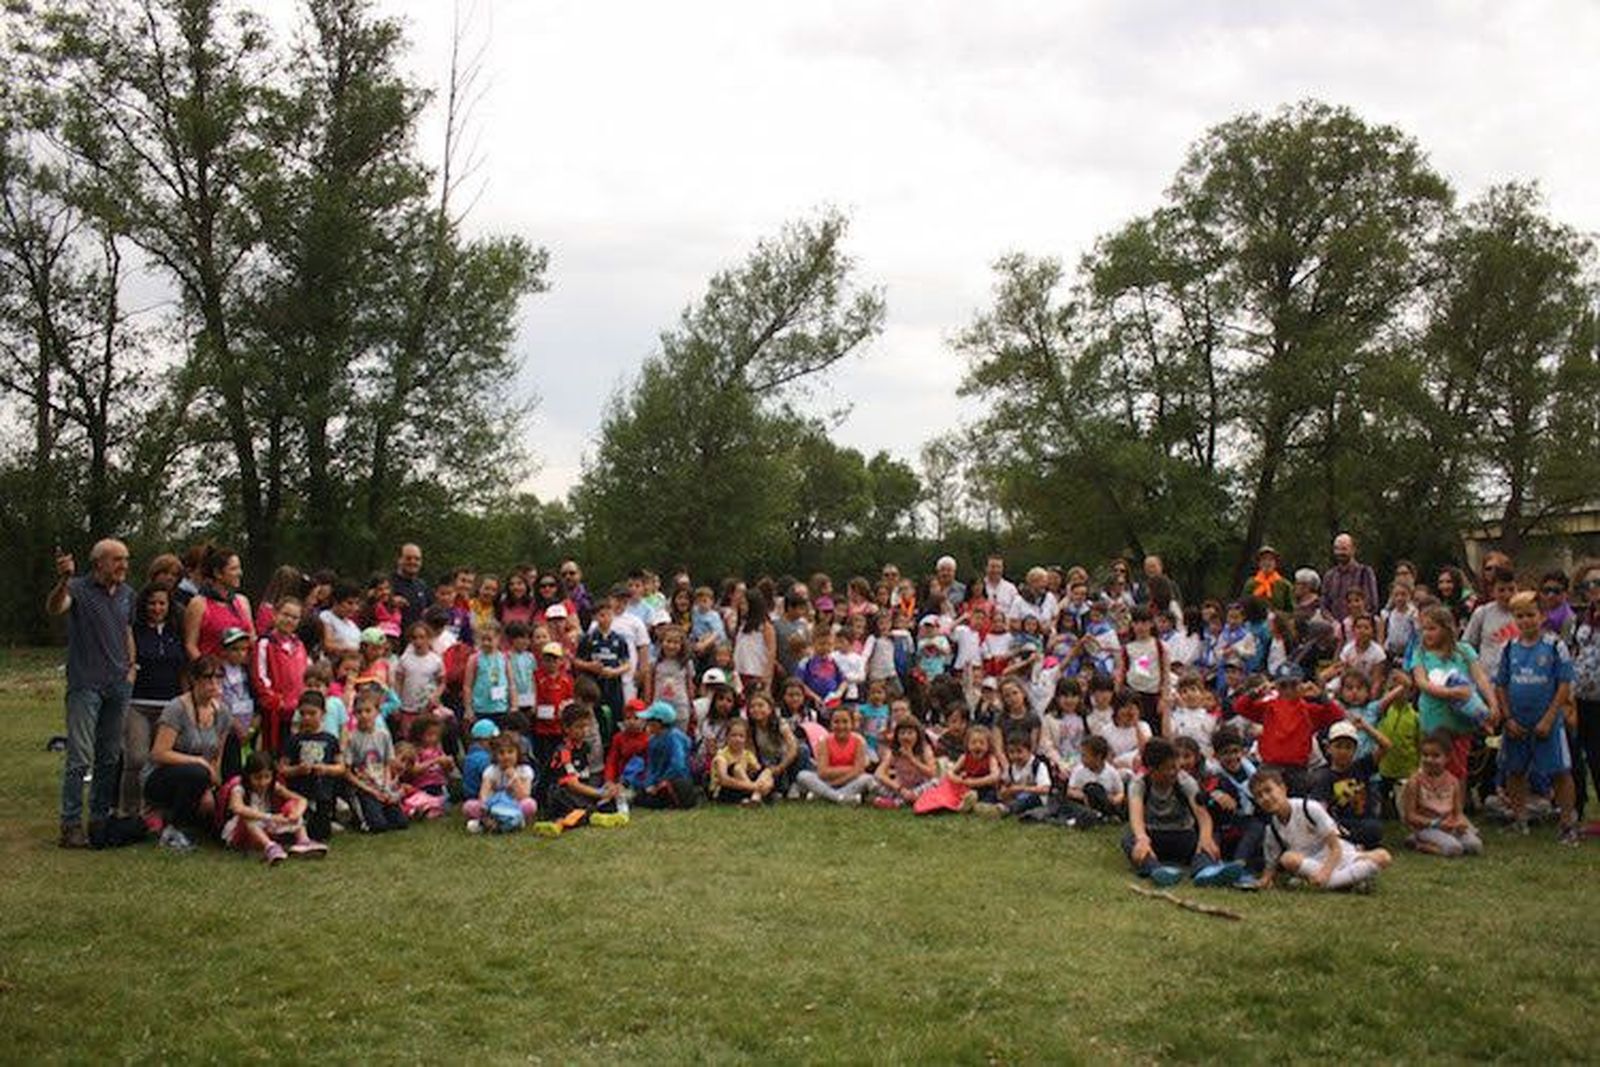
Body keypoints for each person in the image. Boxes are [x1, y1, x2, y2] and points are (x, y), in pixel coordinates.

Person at [47, 539, 135, 848]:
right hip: (86, 685)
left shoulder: (127, 594)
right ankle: (70, 824)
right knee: (80, 757)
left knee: (109, 756)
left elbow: (126, 630)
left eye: (125, 559)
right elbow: (56, 607)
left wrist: (131, 666)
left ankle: (99, 819)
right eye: (117, 560)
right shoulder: (78, 589)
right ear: (99, 563)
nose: (123, 565)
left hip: (118, 684)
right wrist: (62, 580)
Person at [1494, 591, 1579, 844]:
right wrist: (1508, 718)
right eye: (1519, 616)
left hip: (1548, 723)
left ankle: (1567, 824)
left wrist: (1550, 718)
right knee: (1515, 770)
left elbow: (1564, 684)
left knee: (1560, 772)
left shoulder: (1555, 646)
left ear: (1542, 616)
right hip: (1517, 723)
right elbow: (1501, 684)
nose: (1525, 621)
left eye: (1531, 615)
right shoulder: (1509, 648)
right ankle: (1519, 820)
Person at [143, 656, 233, 851]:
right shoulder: (176, 708)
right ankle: (172, 830)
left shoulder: (223, 713)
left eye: (218, 678)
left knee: (224, 809)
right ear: (194, 680)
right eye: (208, 678)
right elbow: (159, 753)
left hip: (201, 778)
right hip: (163, 776)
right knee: (196, 772)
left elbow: (217, 757)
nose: (213, 684)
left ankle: (191, 824)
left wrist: (210, 788)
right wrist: (198, 762)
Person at [1253, 768, 1389, 891]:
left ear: (1283, 789)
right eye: (1259, 795)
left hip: (1336, 855)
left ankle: (1332, 883)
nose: (1265, 798)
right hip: (1310, 864)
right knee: (1288, 859)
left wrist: (1325, 874)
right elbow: (1270, 866)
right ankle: (1350, 880)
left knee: (1384, 857)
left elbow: (1335, 847)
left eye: (1268, 790)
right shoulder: (1272, 828)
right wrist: (1265, 880)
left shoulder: (1309, 807)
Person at [1124, 738, 1236, 887]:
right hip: (1153, 836)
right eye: (1168, 768)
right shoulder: (1139, 784)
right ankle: (1156, 870)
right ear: (1151, 770)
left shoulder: (1185, 781)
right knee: (1129, 839)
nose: (1174, 772)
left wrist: (1205, 838)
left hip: (1182, 835)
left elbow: (1203, 816)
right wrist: (1142, 839)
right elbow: (1136, 816)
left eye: (1175, 767)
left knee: (1210, 836)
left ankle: (1204, 870)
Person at [1409, 605, 1496, 783]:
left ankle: (1457, 808)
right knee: (1432, 768)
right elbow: (1422, 683)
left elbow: (1480, 677)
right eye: (1424, 629)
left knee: (1458, 770)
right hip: (1434, 719)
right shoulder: (1421, 654)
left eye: (1432, 628)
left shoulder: (1463, 651)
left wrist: (1492, 702)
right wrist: (1451, 692)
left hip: (1460, 720)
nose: (1427, 634)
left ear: (1446, 629)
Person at [121, 583, 185, 821]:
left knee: (164, 760)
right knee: (136, 758)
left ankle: (157, 811)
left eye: (162, 603)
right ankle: (129, 811)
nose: (157, 608)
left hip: (169, 705)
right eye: (152, 603)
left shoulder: (175, 631)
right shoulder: (135, 631)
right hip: (138, 702)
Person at [1231, 674, 1343, 795]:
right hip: (1270, 768)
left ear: (1301, 686)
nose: (1288, 690)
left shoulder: (1309, 710)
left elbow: (1337, 715)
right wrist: (1258, 691)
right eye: (1283, 685)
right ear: (1277, 687)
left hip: (1297, 771)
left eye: (1293, 685)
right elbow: (1239, 706)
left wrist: (1320, 695)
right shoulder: (1268, 707)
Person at [221, 752, 326, 864]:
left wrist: (296, 814)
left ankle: (304, 841)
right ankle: (270, 847)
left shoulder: (273, 786)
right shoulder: (239, 788)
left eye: (267, 777)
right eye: (257, 778)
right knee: (248, 815)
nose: (262, 782)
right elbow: (238, 808)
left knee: (292, 806)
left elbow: (301, 800)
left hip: (265, 827)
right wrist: (271, 817)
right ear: (248, 776)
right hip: (242, 832)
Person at [1401, 731, 1483, 857]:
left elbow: (1458, 812)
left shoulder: (1453, 781)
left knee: (1475, 846)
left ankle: (1440, 840)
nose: (1429, 760)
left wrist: (1460, 822)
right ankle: (1419, 843)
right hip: (1426, 826)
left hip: (1449, 825)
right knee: (1454, 849)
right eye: (1425, 755)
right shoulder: (1415, 782)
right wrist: (1435, 823)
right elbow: (1410, 816)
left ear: (1447, 758)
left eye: (1436, 756)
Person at [1308, 720, 1387, 848]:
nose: (1343, 751)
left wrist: (1366, 727)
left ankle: (1352, 844)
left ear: (1355, 750)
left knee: (1375, 828)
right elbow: (1320, 808)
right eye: (1338, 746)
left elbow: (1385, 746)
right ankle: (1351, 844)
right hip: (1341, 822)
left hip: (1364, 820)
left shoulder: (1361, 766)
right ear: (1328, 748)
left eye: (1348, 747)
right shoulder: (1324, 776)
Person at [278, 691, 343, 840]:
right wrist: (297, 770)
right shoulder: (294, 740)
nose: (307, 718)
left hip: (323, 794)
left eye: (312, 713)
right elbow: (282, 769)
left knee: (320, 834)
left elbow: (341, 767)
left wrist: (326, 769)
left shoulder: (330, 740)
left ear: (323, 713)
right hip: (299, 794)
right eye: (303, 714)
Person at [344, 692, 408, 833]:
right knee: (378, 826)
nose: (364, 715)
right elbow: (347, 773)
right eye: (359, 712)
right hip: (364, 788)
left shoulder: (383, 735)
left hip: (381, 785)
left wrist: (386, 787)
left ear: (377, 712)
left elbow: (387, 764)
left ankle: (381, 812)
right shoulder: (352, 738)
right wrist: (371, 790)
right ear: (354, 714)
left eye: (368, 711)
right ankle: (361, 817)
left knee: (402, 822)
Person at [252, 597, 307, 757]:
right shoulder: (265, 643)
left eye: (295, 617)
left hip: (298, 712)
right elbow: (260, 677)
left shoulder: (299, 645)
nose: (289, 620)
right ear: (275, 615)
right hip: (275, 712)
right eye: (286, 615)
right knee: (274, 753)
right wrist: (276, 701)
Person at [183, 545, 255, 661]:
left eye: (239, 568)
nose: (239, 573)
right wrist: (207, 672)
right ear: (218, 573)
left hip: (240, 674)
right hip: (212, 673)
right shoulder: (199, 604)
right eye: (233, 569)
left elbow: (252, 638)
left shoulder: (242, 601)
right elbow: (190, 645)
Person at [796, 706, 878, 805]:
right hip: (827, 781)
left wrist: (837, 779)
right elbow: (822, 772)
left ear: (852, 724)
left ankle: (825, 795)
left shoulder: (859, 741)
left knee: (867, 779)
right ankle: (840, 798)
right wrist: (851, 768)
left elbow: (859, 771)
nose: (841, 726)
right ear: (831, 724)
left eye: (845, 722)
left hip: (850, 781)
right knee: (803, 776)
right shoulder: (824, 742)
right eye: (836, 722)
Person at [465, 735, 537, 834]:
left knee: (530, 805)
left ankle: (490, 824)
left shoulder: (524, 770)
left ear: (518, 753)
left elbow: (524, 795)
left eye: (510, 752)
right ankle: (509, 822)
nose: (506, 756)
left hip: (514, 805)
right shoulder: (491, 770)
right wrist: (485, 803)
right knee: (469, 806)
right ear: (495, 755)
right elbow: (483, 794)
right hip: (494, 806)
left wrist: (514, 779)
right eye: (501, 753)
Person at [636, 701, 698, 809]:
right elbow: (651, 766)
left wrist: (662, 781)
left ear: (659, 723)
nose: (647, 724)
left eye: (650, 721)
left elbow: (678, 765)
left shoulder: (674, 737)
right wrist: (649, 784)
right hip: (660, 782)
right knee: (641, 795)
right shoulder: (652, 741)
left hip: (676, 781)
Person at [711, 719, 776, 806]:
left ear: (746, 739)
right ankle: (755, 794)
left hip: (744, 786)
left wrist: (760, 778)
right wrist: (753, 786)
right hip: (726, 789)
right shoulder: (721, 756)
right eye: (733, 735)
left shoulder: (747, 754)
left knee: (767, 772)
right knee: (737, 768)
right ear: (727, 737)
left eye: (741, 736)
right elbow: (724, 780)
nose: (737, 739)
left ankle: (755, 796)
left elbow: (758, 769)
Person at [1064, 735, 1125, 824]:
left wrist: (1115, 799)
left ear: (1098, 757)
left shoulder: (1111, 772)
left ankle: (1106, 815)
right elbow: (1070, 790)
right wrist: (1084, 796)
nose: (1082, 759)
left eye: (1085, 756)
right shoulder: (1079, 771)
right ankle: (1096, 816)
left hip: (1105, 802)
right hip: (1085, 803)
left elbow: (1120, 792)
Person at [1322, 533, 1379, 623]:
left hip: (1359, 628)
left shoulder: (1365, 572)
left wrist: (1355, 622)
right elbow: (1324, 605)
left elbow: (1372, 603)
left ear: (1353, 550)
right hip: (1335, 628)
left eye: (1344, 549)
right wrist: (1334, 623)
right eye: (1337, 549)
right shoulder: (1329, 576)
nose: (1340, 552)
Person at [390, 543, 431, 630]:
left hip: (417, 640)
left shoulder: (422, 585)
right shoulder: (387, 583)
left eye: (417, 559)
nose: (413, 562)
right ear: (399, 560)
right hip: (394, 640)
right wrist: (390, 602)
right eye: (408, 558)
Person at [1243, 545, 1293, 613]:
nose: (1267, 563)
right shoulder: (1251, 583)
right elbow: (1244, 605)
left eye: (1270, 559)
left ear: (1276, 563)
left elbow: (1290, 609)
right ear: (1259, 563)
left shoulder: (1284, 584)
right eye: (1263, 559)